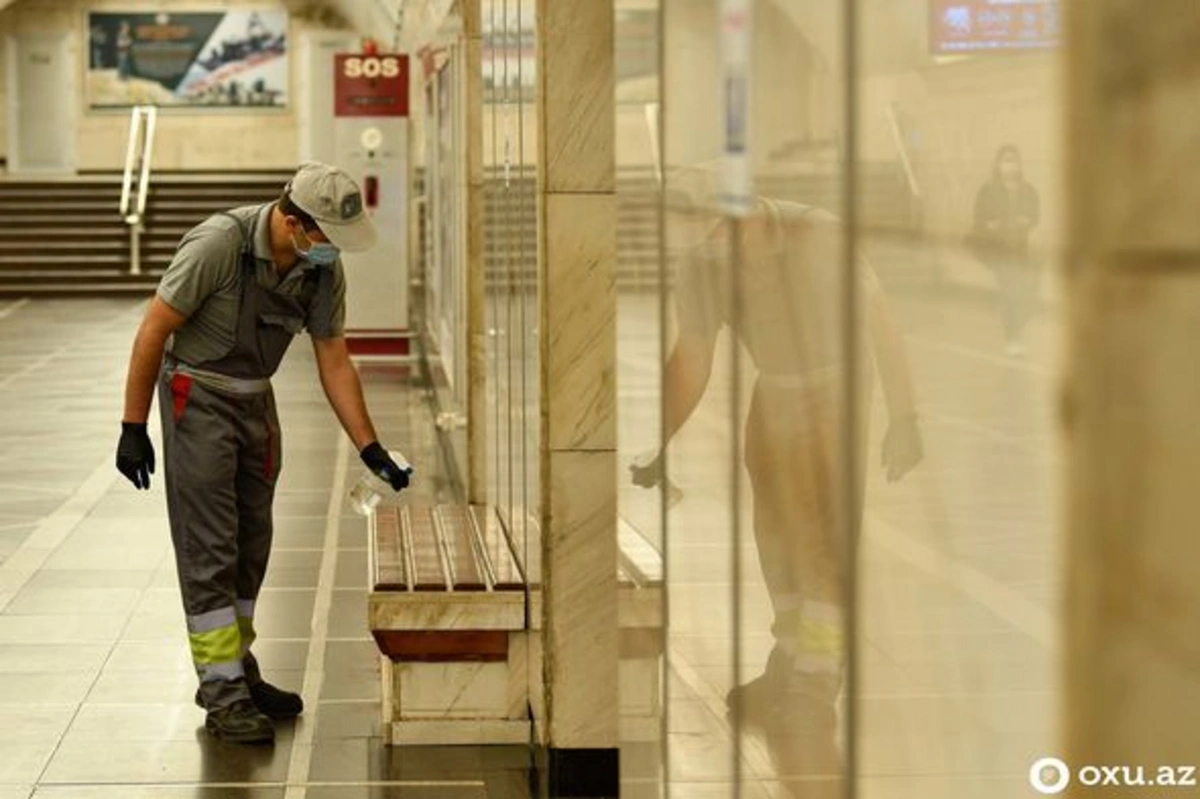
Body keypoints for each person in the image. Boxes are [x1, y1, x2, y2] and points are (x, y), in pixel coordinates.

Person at [115, 163, 412, 744]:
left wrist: (370, 447)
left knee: (252, 544)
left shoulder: (320, 270)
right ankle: (223, 697)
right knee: (210, 547)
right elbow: (153, 329)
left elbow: (333, 358)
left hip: (256, 404)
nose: (332, 251)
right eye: (326, 237)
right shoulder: (218, 245)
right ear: (294, 219)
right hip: (195, 396)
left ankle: (236, 672)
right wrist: (133, 425)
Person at [632, 196, 923, 784]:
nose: (706, 237)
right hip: (777, 389)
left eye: (716, 224)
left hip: (837, 387)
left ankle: (817, 679)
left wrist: (905, 416)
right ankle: (789, 658)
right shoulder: (703, 263)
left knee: (821, 534)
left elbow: (878, 319)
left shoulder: (819, 234)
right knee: (774, 529)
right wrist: (659, 441)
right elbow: (692, 355)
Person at [971, 144, 1041, 356]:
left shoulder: (1028, 190)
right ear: (998, 165)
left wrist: (1026, 221)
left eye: (1014, 160)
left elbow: (1035, 216)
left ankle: (1018, 326)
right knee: (1011, 290)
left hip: (1021, 249)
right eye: (1005, 160)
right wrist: (990, 225)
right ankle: (1013, 338)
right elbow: (979, 217)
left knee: (1029, 290)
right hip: (999, 250)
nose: (1010, 166)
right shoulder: (988, 190)